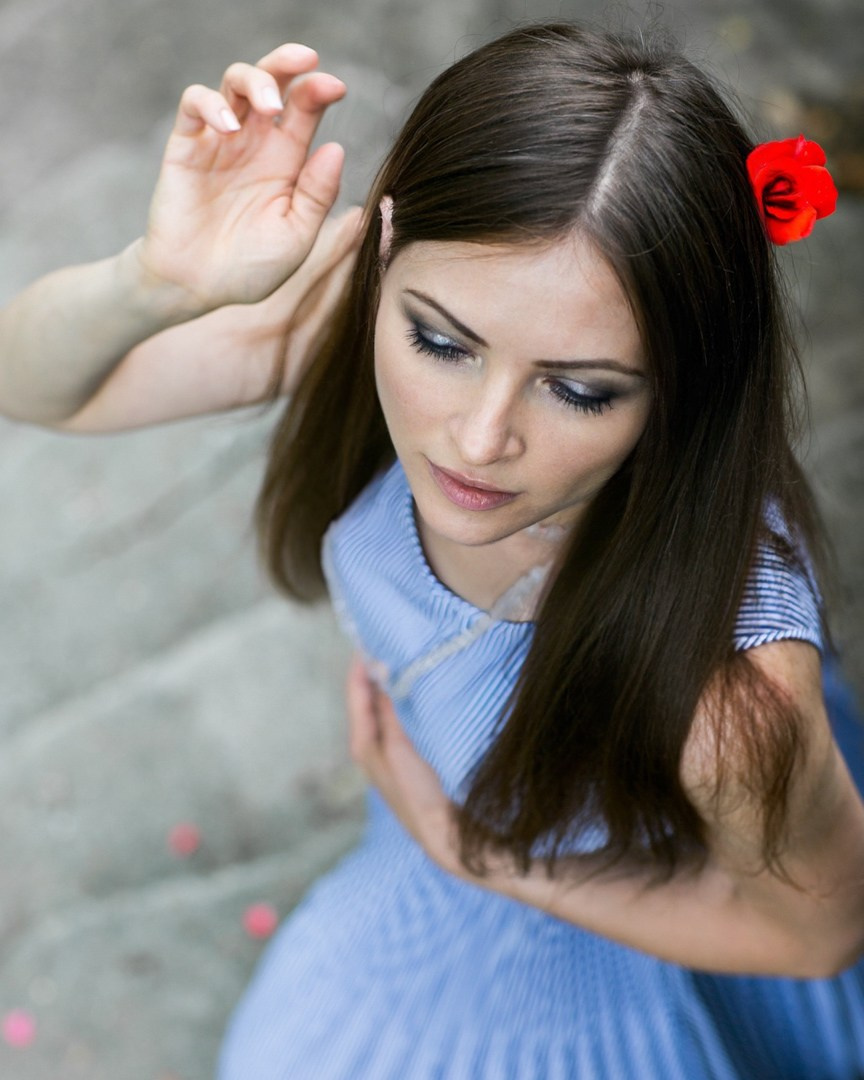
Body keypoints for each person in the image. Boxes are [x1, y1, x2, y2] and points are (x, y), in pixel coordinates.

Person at [2, 21, 863, 1080]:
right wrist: (159, 280)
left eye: (580, 388)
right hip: (416, 871)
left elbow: (817, 934)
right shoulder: (345, 310)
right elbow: (40, 387)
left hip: (595, 988)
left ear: (688, 380)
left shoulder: (732, 711)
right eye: (442, 344)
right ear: (386, 243)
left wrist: (481, 856)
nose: (479, 435)